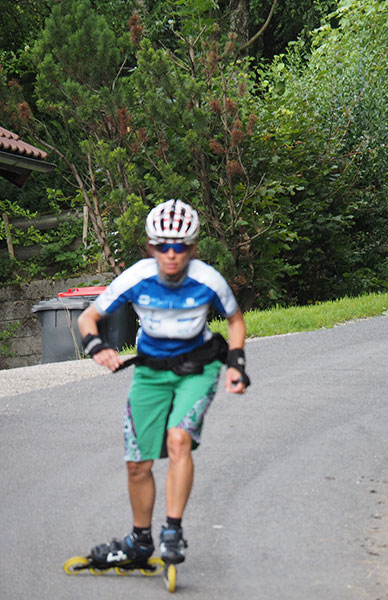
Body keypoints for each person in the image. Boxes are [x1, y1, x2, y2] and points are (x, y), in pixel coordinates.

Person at [76, 198, 249, 570]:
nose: (172, 255)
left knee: (178, 439)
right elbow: (88, 317)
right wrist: (98, 347)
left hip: (197, 369)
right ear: (151, 246)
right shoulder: (137, 277)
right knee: (138, 463)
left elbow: (235, 321)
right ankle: (140, 542)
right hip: (150, 374)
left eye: (181, 247)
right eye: (163, 246)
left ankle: (172, 529)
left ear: (193, 247)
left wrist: (236, 365)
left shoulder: (207, 279)